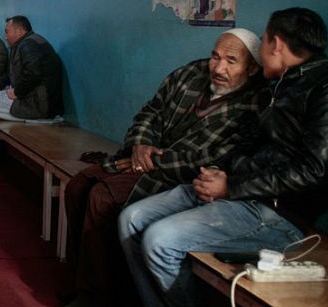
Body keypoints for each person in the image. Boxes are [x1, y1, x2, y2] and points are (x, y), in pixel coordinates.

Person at [119, 8, 328, 307]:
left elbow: (313, 170)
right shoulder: (278, 85)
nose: (261, 51)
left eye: (263, 41)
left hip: (276, 214)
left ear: (276, 44)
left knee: (160, 240)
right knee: (131, 219)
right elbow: (245, 143)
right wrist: (217, 173)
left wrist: (231, 187)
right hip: (236, 193)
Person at [63, 29, 265, 307]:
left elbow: (216, 157)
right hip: (141, 158)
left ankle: (100, 296)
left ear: (252, 67)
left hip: (176, 175)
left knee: (102, 198)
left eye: (232, 61)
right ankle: (84, 283)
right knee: (77, 186)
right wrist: (140, 144)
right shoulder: (190, 74)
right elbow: (151, 111)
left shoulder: (255, 103)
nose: (219, 68)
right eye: (215, 57)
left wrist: (151, 161)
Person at [0, 16, 63, 121]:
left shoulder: (29, 45)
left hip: (39, 105)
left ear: (20, 31)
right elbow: (13, 74)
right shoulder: (26, 43)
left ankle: (28, 117)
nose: (5, 37)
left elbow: (33, 73)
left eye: (7, 32)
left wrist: (17, 92)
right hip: (28, 96)